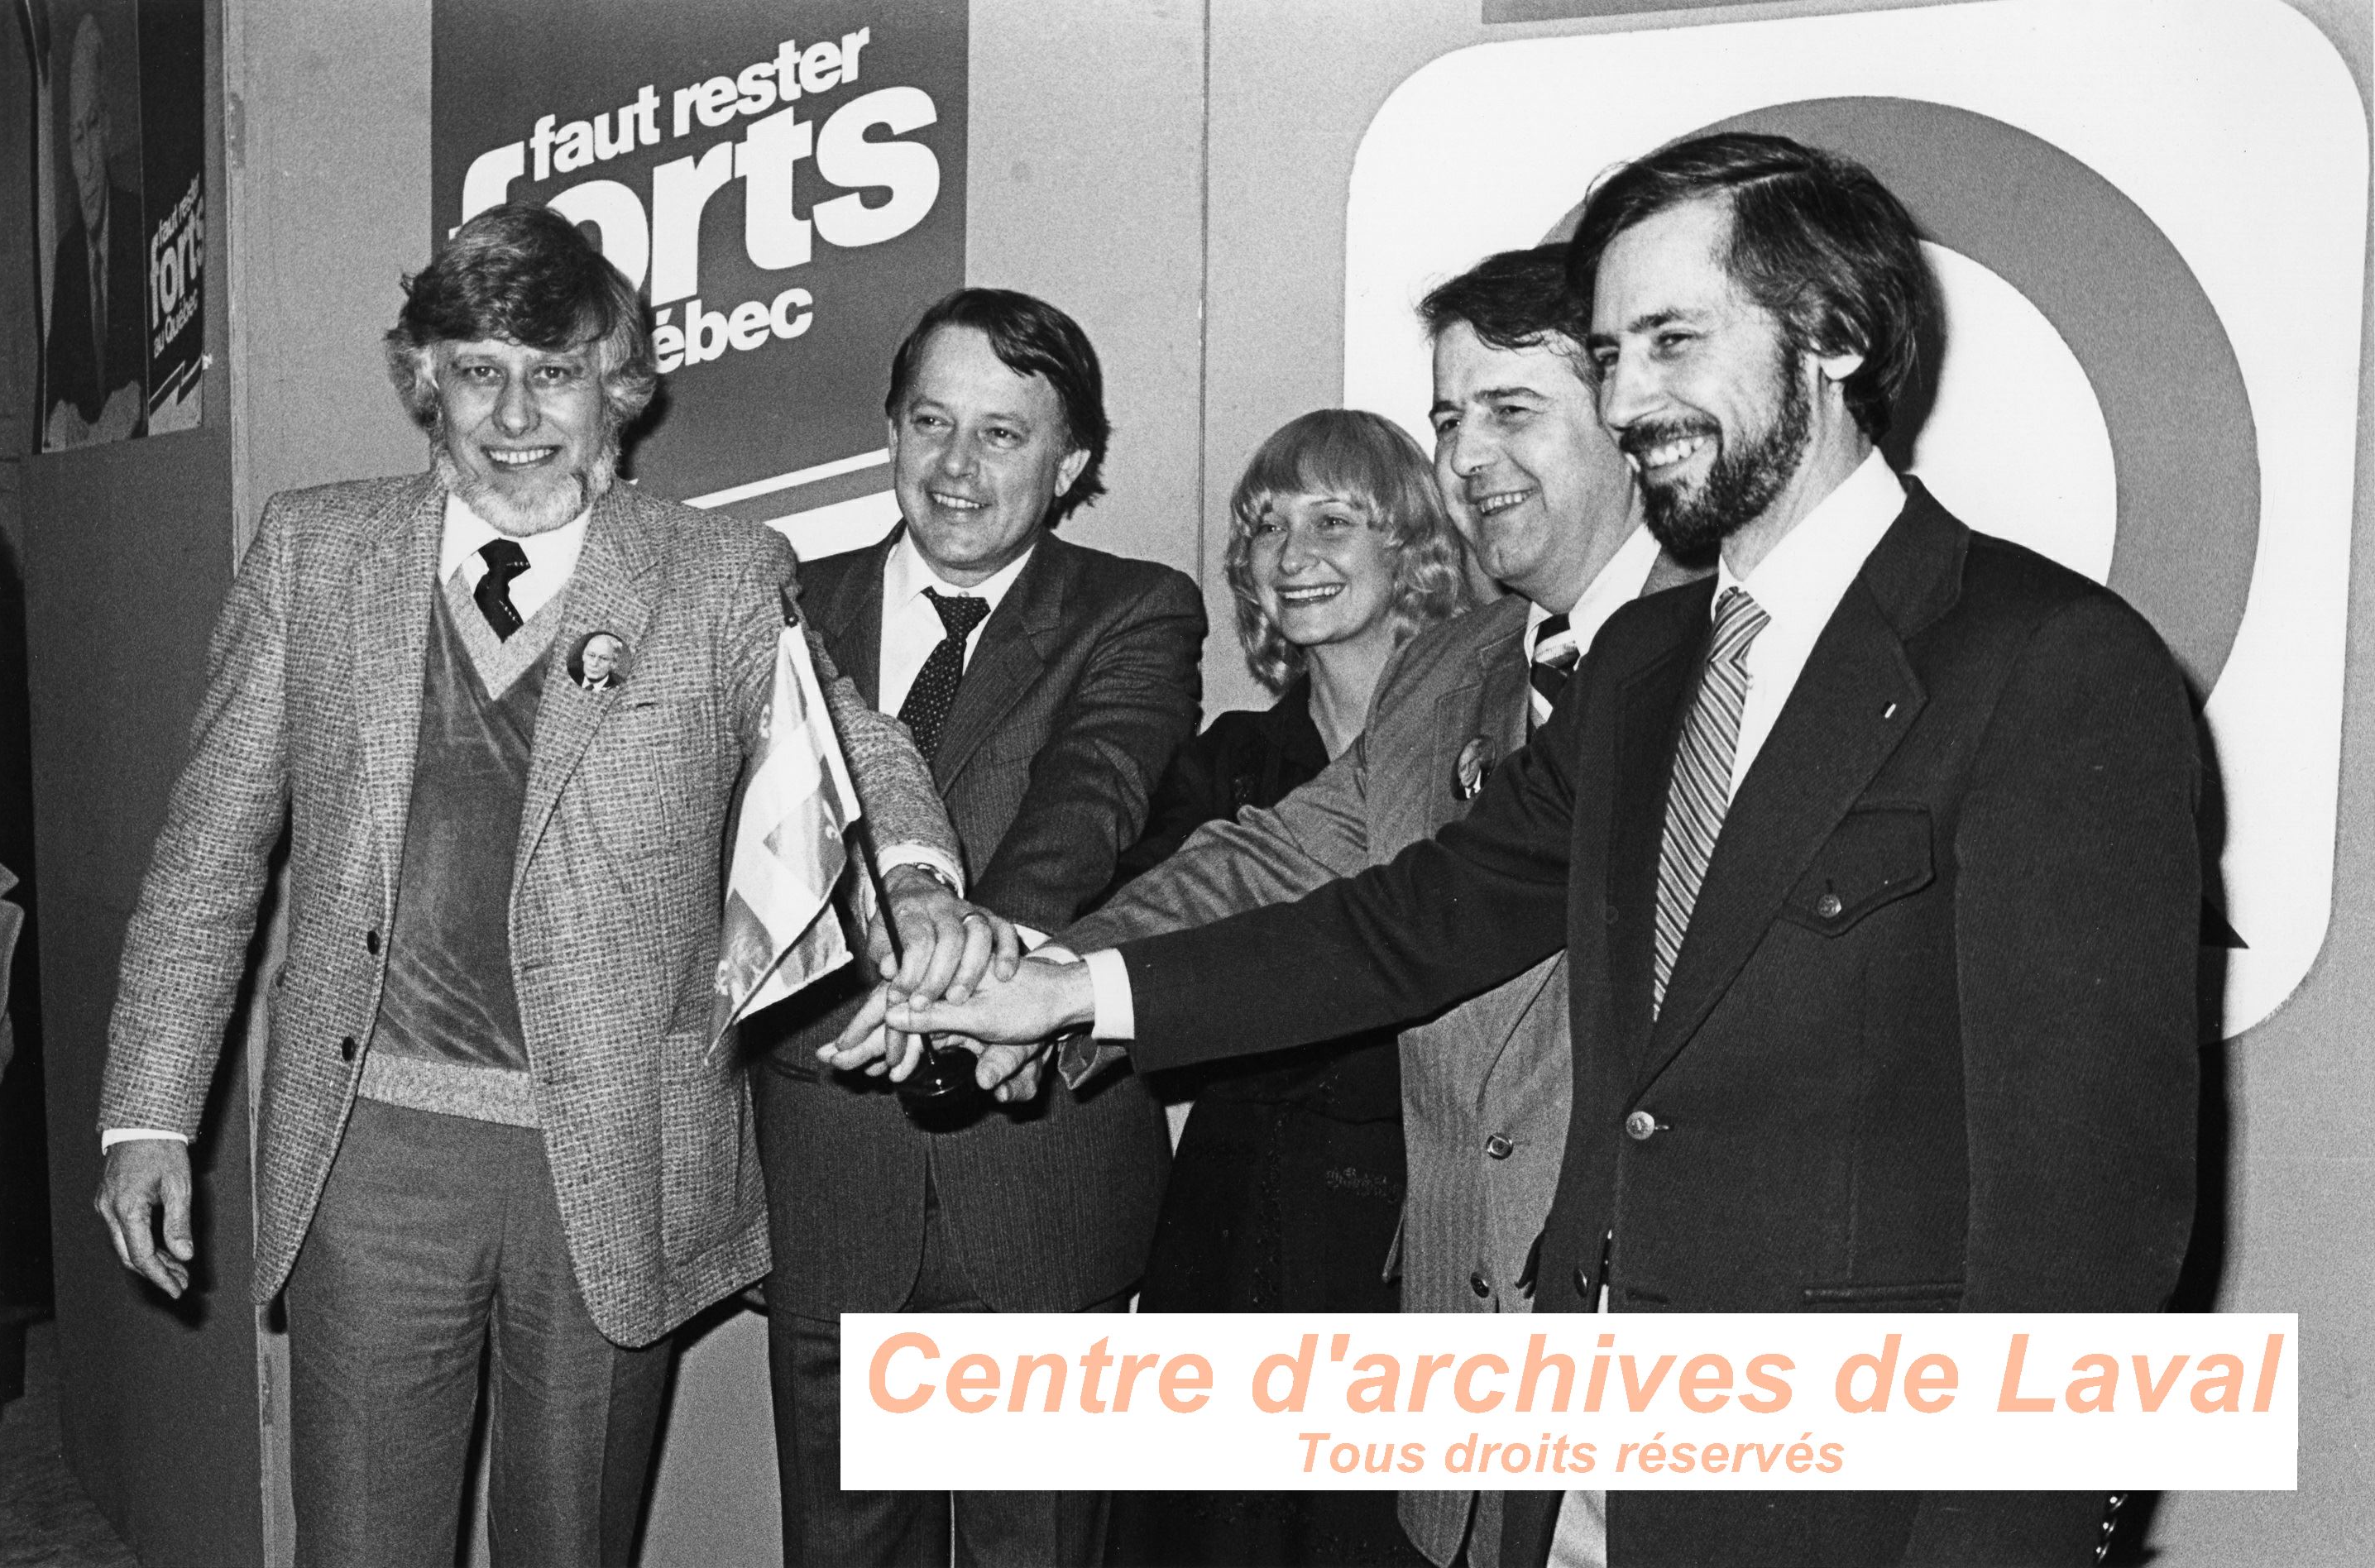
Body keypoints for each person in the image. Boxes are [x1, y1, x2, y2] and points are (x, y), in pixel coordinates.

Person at [874, 132, 2202, 1568]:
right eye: (1611, 353)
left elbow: (2080, 1226)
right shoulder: (1642, 666)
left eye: (1671, 343)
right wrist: (1078, 993)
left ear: (1833, 335)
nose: (1629, 401)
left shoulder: (2045, 665)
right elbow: (1413, 917)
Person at [92, 203, 983, 1567]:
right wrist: (145, 1112)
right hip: (371, 1154)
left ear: (617, 388)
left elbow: (853, 745)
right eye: (475, 368)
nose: (515, 413)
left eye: (554, 370)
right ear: (424, 380)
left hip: (616, 1153)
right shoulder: (313, 556)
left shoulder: (717, 573)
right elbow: (209, 850)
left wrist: (914, 886)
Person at [1060, 246, 1698, 1568]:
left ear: (1629, 415)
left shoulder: (1734, 639)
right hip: (1457, 1358)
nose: (1470, 457)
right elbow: (1277, 853)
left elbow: (1427, 918)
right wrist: (1047, 969)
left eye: (1510, 410)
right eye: (1450, 419)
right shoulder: (1452, 666)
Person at [753, 286, 1203, 1567]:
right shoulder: (775, 608)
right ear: (889, 431)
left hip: (1040, 1179)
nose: (956, 467)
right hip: (829, 1178)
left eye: (1003, 435)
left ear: (1072, 465)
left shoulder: (1135, 609)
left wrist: (958, 951)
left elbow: (1090, 802)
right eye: (930, 423)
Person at [1103, 408, 1468, 1568]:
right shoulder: (1225, 763)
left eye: (1332, 518)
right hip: (1236, 1212)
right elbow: (1147, 960)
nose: (1292, 550)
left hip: (1422, 1219)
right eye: (1266, 526)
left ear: (1409, 541)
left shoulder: (1496, 733)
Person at [43, 13, 146, 451]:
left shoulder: (143, 230)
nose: (84, 166)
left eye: (91, 131)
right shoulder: (68, 258)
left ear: (108, 129)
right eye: (74, 139)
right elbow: (56, 386)